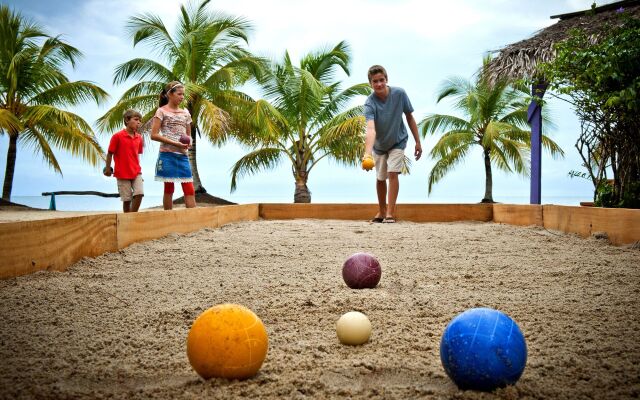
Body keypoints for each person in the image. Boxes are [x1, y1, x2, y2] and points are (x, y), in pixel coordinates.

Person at [363, 65, 422, 223]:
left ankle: (390, 212)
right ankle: (381, 211)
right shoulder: (369, 103)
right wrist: (367, 153)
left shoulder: (400, 93)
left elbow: (409, 117)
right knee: (381, 178)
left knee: (393, 172)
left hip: (398, 140)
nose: (379, 84)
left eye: (381, 80)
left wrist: (418, 141)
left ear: (386, 79)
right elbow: (370, 129)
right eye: (375, 81)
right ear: (371, 83)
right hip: (379, 145)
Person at [150, 81, 197, 210]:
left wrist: (189, 142)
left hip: (182, 155)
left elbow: (188, 135)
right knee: (169, 188)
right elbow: (153, 135)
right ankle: (168, 217)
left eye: (183, 94)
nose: (182, 97)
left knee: (189, 188)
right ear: (170, 94)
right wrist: (175, 143)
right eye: (179, 94)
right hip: (167, 154)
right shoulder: (161, 111)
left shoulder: (185, 113)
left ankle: (192, 219)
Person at [104, 109, 144, 213]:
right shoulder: (117, 136)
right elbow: (110, 153)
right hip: (122, 173)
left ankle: (132, 216)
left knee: (139, 193)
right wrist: (108, 168)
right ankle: (127, 219)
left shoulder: (139, 138)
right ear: (127, 120)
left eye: (140, 120)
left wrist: (139, 171)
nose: (138, 122)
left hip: (136, 172)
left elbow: (136, 155)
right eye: (136, 119)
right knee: (127, 200)